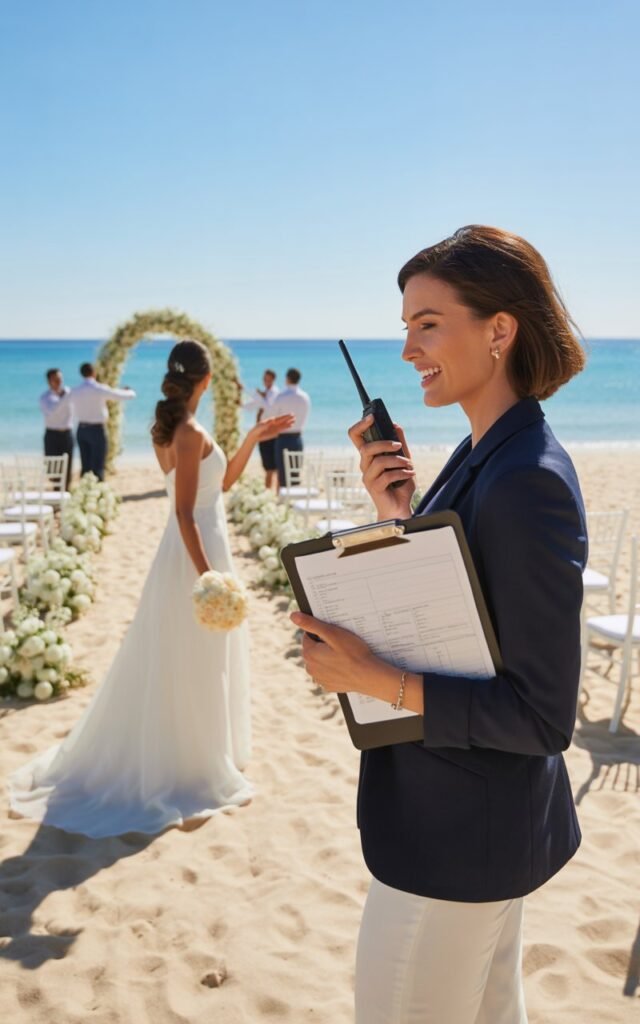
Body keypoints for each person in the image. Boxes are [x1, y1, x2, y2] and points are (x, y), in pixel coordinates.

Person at [291, 225, 587, 1023]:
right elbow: (466, 615)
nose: (409, 349)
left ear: (500, 330)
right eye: (405, 328)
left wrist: (370, 679)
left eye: (428, 323)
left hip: (460, 840)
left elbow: (542, 715)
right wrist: (397, 515)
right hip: (470, 827)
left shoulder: (527, 481)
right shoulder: (481, 453)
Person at [9, 339, 295, 837]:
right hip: (194, 551)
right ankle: (187, 764)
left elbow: (221, 485)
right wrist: (209, 574)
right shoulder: (186, 430)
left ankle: (207, 749)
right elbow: (184, 512)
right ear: (205, 380)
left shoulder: (177, 428)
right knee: (190, 656)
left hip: (202, 544)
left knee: (197, 655)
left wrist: (252, 437)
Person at [70, 362, 137, 480]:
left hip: (81, 430)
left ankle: (86, 490)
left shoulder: (75, 391)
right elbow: (121, 395)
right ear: (94, 373)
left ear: (81, 374)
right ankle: (97, 491)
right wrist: (130, 392)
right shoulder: (99, 389)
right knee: (98, 465)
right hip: (96, 430)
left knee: (85, 465)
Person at [272, 368, 311, 488]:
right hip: (297, 439)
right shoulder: (305, 397)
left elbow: (275, 417)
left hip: (283, 439)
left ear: (287, 379)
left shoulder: (281, 396)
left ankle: (284, 501)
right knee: (295, 473)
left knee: (282, 474)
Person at [242, 368, 280, 491]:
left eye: (267, 379)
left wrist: (252, 392)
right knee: (268, 466)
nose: (265, 381)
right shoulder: (266, 393)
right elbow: (253, 405)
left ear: (273, 379)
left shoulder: (274, 393)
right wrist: (240, 404)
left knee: (273, 467)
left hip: (270, 434)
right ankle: (269, 492)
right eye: (264, 379)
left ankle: (273, 493)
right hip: (264, 434)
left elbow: (266, 406)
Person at [39, 368, 74, 490]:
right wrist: (64, 399)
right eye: (56, 379)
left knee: (68, 465)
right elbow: (52, 413)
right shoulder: (45, 398)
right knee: (52, 467)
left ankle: (65, 493)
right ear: (49, 381)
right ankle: (56, 491)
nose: (59, 381)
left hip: (67, 434)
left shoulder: (69, 393)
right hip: (52, 434)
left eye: (60, 378)